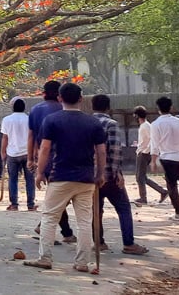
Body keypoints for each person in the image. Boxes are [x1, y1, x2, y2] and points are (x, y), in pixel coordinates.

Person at [24, 83, 106, 272]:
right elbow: (101, 151)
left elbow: (44, 148)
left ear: (60, 98)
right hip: (86, 178)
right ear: (81, 99)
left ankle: (45, 257)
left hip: (60, 176)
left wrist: (39, 172)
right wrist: (100, 174)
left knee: (49, 217)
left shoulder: (52, 120)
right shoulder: (93, 122)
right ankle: (82, 262)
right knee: (85, 221)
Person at [92, 94, 148, 255]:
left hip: (90, 176)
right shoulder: (111, 124)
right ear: (108, 107)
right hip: (108, 175)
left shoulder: (86, 123)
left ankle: (99, 242)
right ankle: (128, 243)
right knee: (123, 208)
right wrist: (117, 173)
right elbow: (115, 150)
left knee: (96, 209)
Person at [29, 80, 75, 242]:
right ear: (59, 95)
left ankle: (67, 232)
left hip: (44, 158)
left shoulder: (35, 110)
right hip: (63, 158)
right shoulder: (64, 109)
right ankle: (47, 228)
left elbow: (31, 136)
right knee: (64, 195)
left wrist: (31, 158)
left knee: (59, 194)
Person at [150, 96, 179, 221]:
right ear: (171, 107)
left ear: (158, 109)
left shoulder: (155, 124)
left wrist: (153, 161)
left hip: (167, 157)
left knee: (172, 186)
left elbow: (154, 145)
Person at [2, 98, 35, 211]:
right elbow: (33, 137)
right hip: (27, 153)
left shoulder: (7, 120)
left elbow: (5, 138)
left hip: (12, 153)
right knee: (30, 179)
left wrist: (3, 152)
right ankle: (30, 204)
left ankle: (14, 204)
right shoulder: (29, 119)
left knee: (13, 179)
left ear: (13, 107)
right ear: (24, 108)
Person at [133, 106, 169, 205]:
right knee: (142, 177)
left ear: (136, 116)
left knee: (140, 177)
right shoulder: (145, 125)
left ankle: (143, 198)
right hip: (142, 152)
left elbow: (152, 140)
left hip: (144, 154)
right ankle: (162, 191)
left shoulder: (145, 126)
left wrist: (145, 150)